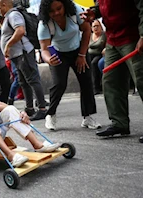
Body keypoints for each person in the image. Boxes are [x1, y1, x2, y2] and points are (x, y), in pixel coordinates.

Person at [82, 0, 143, 143]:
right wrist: (95, 12)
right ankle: (119, 123)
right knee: (110, 80)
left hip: (134, 37)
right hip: (113, 38)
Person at [37, 0, 101, 130]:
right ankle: (50, 114)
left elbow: (87, 31)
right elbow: (44, 49)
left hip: (78, 49)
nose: (56, 13)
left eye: (59, 8)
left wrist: (82, 55)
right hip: (58, 53)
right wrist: (49, 59)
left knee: (86, 81)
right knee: (59, 84)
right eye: (51, 11)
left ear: (65, 6)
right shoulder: (44, 24)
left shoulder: (75, 11)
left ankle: (88, 117)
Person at [0, 0, 48, 121]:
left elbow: (20, 31)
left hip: (23, 53)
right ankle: (29, 107)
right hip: (17, 55)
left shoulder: (13, 15)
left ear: (4, 5)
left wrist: (8, 45)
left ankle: (42, 108)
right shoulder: (9, 16)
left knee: (32, 80)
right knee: (23, 82)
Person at [88, 19, 106, 95]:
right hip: (90, 55)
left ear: (101, 27)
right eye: (93, 26)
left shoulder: (104, 35)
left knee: (94, 63)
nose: (95, 28)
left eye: (97, 26)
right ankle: (90, 87)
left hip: (100, 54)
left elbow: (107, 44)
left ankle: (96, 88)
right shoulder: (90, 35)